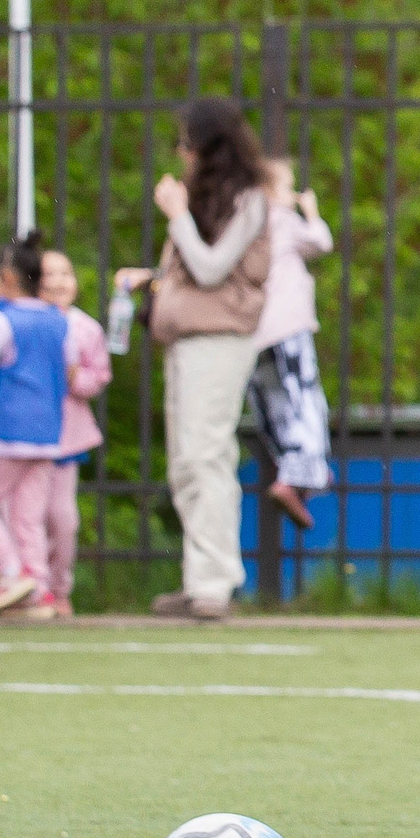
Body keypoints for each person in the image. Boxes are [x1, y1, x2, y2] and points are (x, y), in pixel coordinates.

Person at [115, 99, 273, 622]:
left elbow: (211, 269)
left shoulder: (250, 200)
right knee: (185, 460)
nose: (180, 155)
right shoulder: (209, 200)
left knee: (207, 453)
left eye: (186, 144)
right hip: (186, 338)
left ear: (209, 148)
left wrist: (178, 215)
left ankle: (215, 582)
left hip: (220, 340)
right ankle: (198, 576)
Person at [0, 236, 75, 620]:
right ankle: (39, 589)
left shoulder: (2, 320)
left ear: (7, 277)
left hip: (6, 430)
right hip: (46, 433)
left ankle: (11, 572)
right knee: (28, 514)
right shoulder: (57, 320)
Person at [246, 160, 335, 531]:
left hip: (256, 332)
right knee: (305, 397)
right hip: (290, 327)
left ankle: (298, 470)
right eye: (288, 187)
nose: (293, 193)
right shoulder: (283, 220)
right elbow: (322, 243)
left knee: (275, 402)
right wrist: (310, 211)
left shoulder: (246, 227)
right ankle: (300, 476)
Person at [37, 249, 110, 614]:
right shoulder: (23, 322)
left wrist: (73, 378)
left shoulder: (86, 329)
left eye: (64, 273)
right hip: (25, 437)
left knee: (62, 519)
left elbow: (98, 377)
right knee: (22, 516)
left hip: (67, 436)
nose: (56, 282)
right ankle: (27, 587)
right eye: (48, 274)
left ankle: (58, 586)